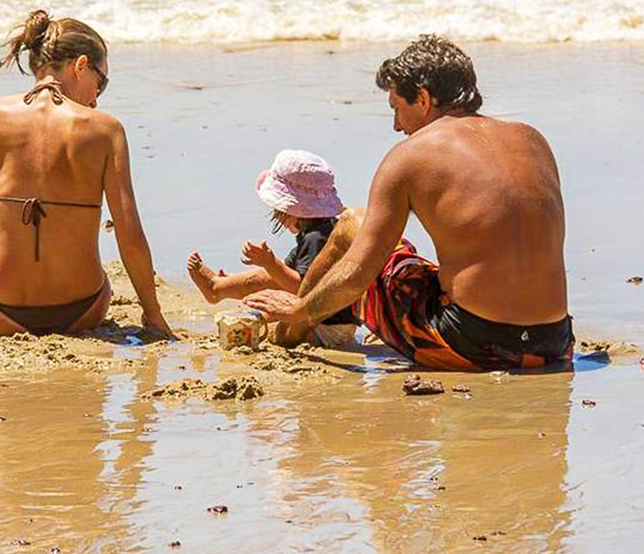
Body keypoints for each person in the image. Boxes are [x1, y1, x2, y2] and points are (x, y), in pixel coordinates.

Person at [245, 34, 574, 370]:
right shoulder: (532, 140)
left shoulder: (409, 157)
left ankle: (288, 331)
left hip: (471, 345)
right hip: (555, 342)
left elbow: (357, 275)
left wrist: (300, 309)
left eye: (397, 109)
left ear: (423, 98)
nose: (396, 125)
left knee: (349, 226)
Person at [0, 10, 173, 340]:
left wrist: (5, 192)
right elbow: (130, 235)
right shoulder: (106, 130)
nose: (96, 98)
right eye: (101, 81)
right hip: (83, 312)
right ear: (80, 65)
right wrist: (153, 316)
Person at [187, 149, 359, 345]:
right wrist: (266, 269)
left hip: (325, 331)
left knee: (264, 328)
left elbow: (303, 287)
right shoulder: (324, 228)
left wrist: (270, 263)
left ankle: (218, 289)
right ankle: (217, 287)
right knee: (270, 284)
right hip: (325, 321)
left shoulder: (316, 239)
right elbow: (280, 278)